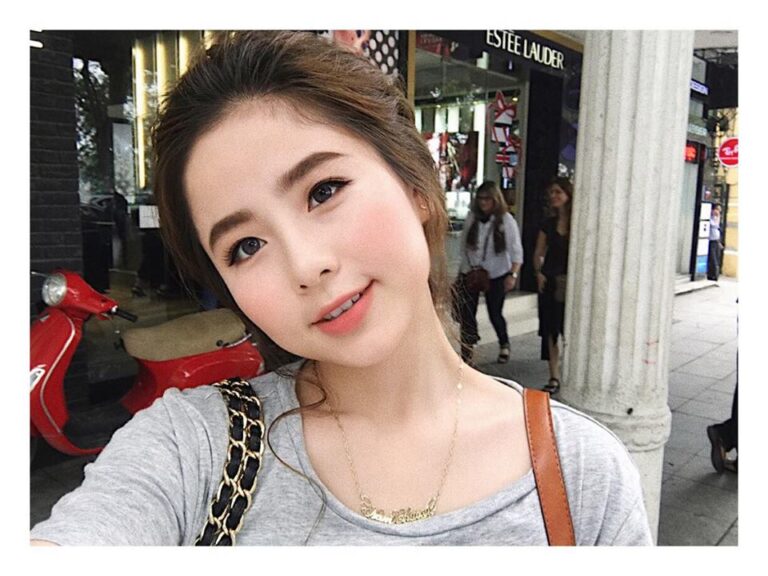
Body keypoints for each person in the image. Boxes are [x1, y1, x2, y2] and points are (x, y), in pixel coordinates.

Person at [31, 31, 651, 546]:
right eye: (246, 246)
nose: (306, 265)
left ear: (415, 186)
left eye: (323, 191)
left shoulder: (580, 476)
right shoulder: (193, 447)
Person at [455, 181, 523, 365]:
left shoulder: (505, 220)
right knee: (467, 314)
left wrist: (513, 274)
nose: (483, 202)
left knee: (495, 312)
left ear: (495, 200)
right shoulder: (472, 218)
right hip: (472, 271)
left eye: (487, 199)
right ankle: (467, 351)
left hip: (496, 273)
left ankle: (504, 343)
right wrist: (466, 270)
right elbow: (464, 246)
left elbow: (516, 250)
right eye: (480, 198)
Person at [533, 177, 573, 395]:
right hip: (550, 279)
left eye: (558, 192)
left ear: (568, 194)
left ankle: (569, 374)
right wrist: (538, 273)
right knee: (550, 330)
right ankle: (554, 375)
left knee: (568, 328)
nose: (554, 196)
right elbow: (538, 252)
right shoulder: (548, 223)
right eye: (552, 193)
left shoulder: (577, 222)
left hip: (570, 281)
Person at [707, 203, 723, 281]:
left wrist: (719, 242)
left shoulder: (716, 218)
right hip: (711, 241)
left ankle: (714, 275)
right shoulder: (710, 218)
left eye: (719, 211)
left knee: (716, 258)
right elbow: (713, 225)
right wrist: (717, 218)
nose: (718, 212)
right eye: (717, 210)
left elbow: (718, 229)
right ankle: (712, 274)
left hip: (716, 241)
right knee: (712, 258)